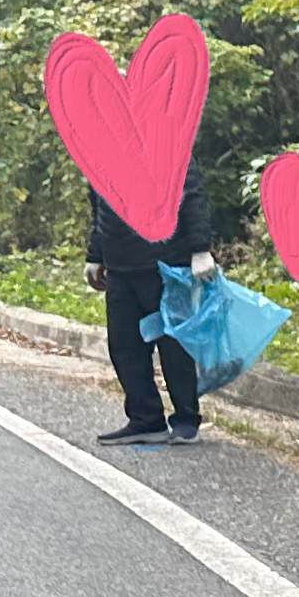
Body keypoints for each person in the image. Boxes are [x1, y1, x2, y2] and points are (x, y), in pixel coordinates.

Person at [82, 172, 222, 449]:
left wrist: (200, 249)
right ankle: (146, 419)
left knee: (173, 346)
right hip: (119, 266)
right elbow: (99, 207)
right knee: (124, 345)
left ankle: (186, 419)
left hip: (166, 262)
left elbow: (190, 193)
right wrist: (95, 255)